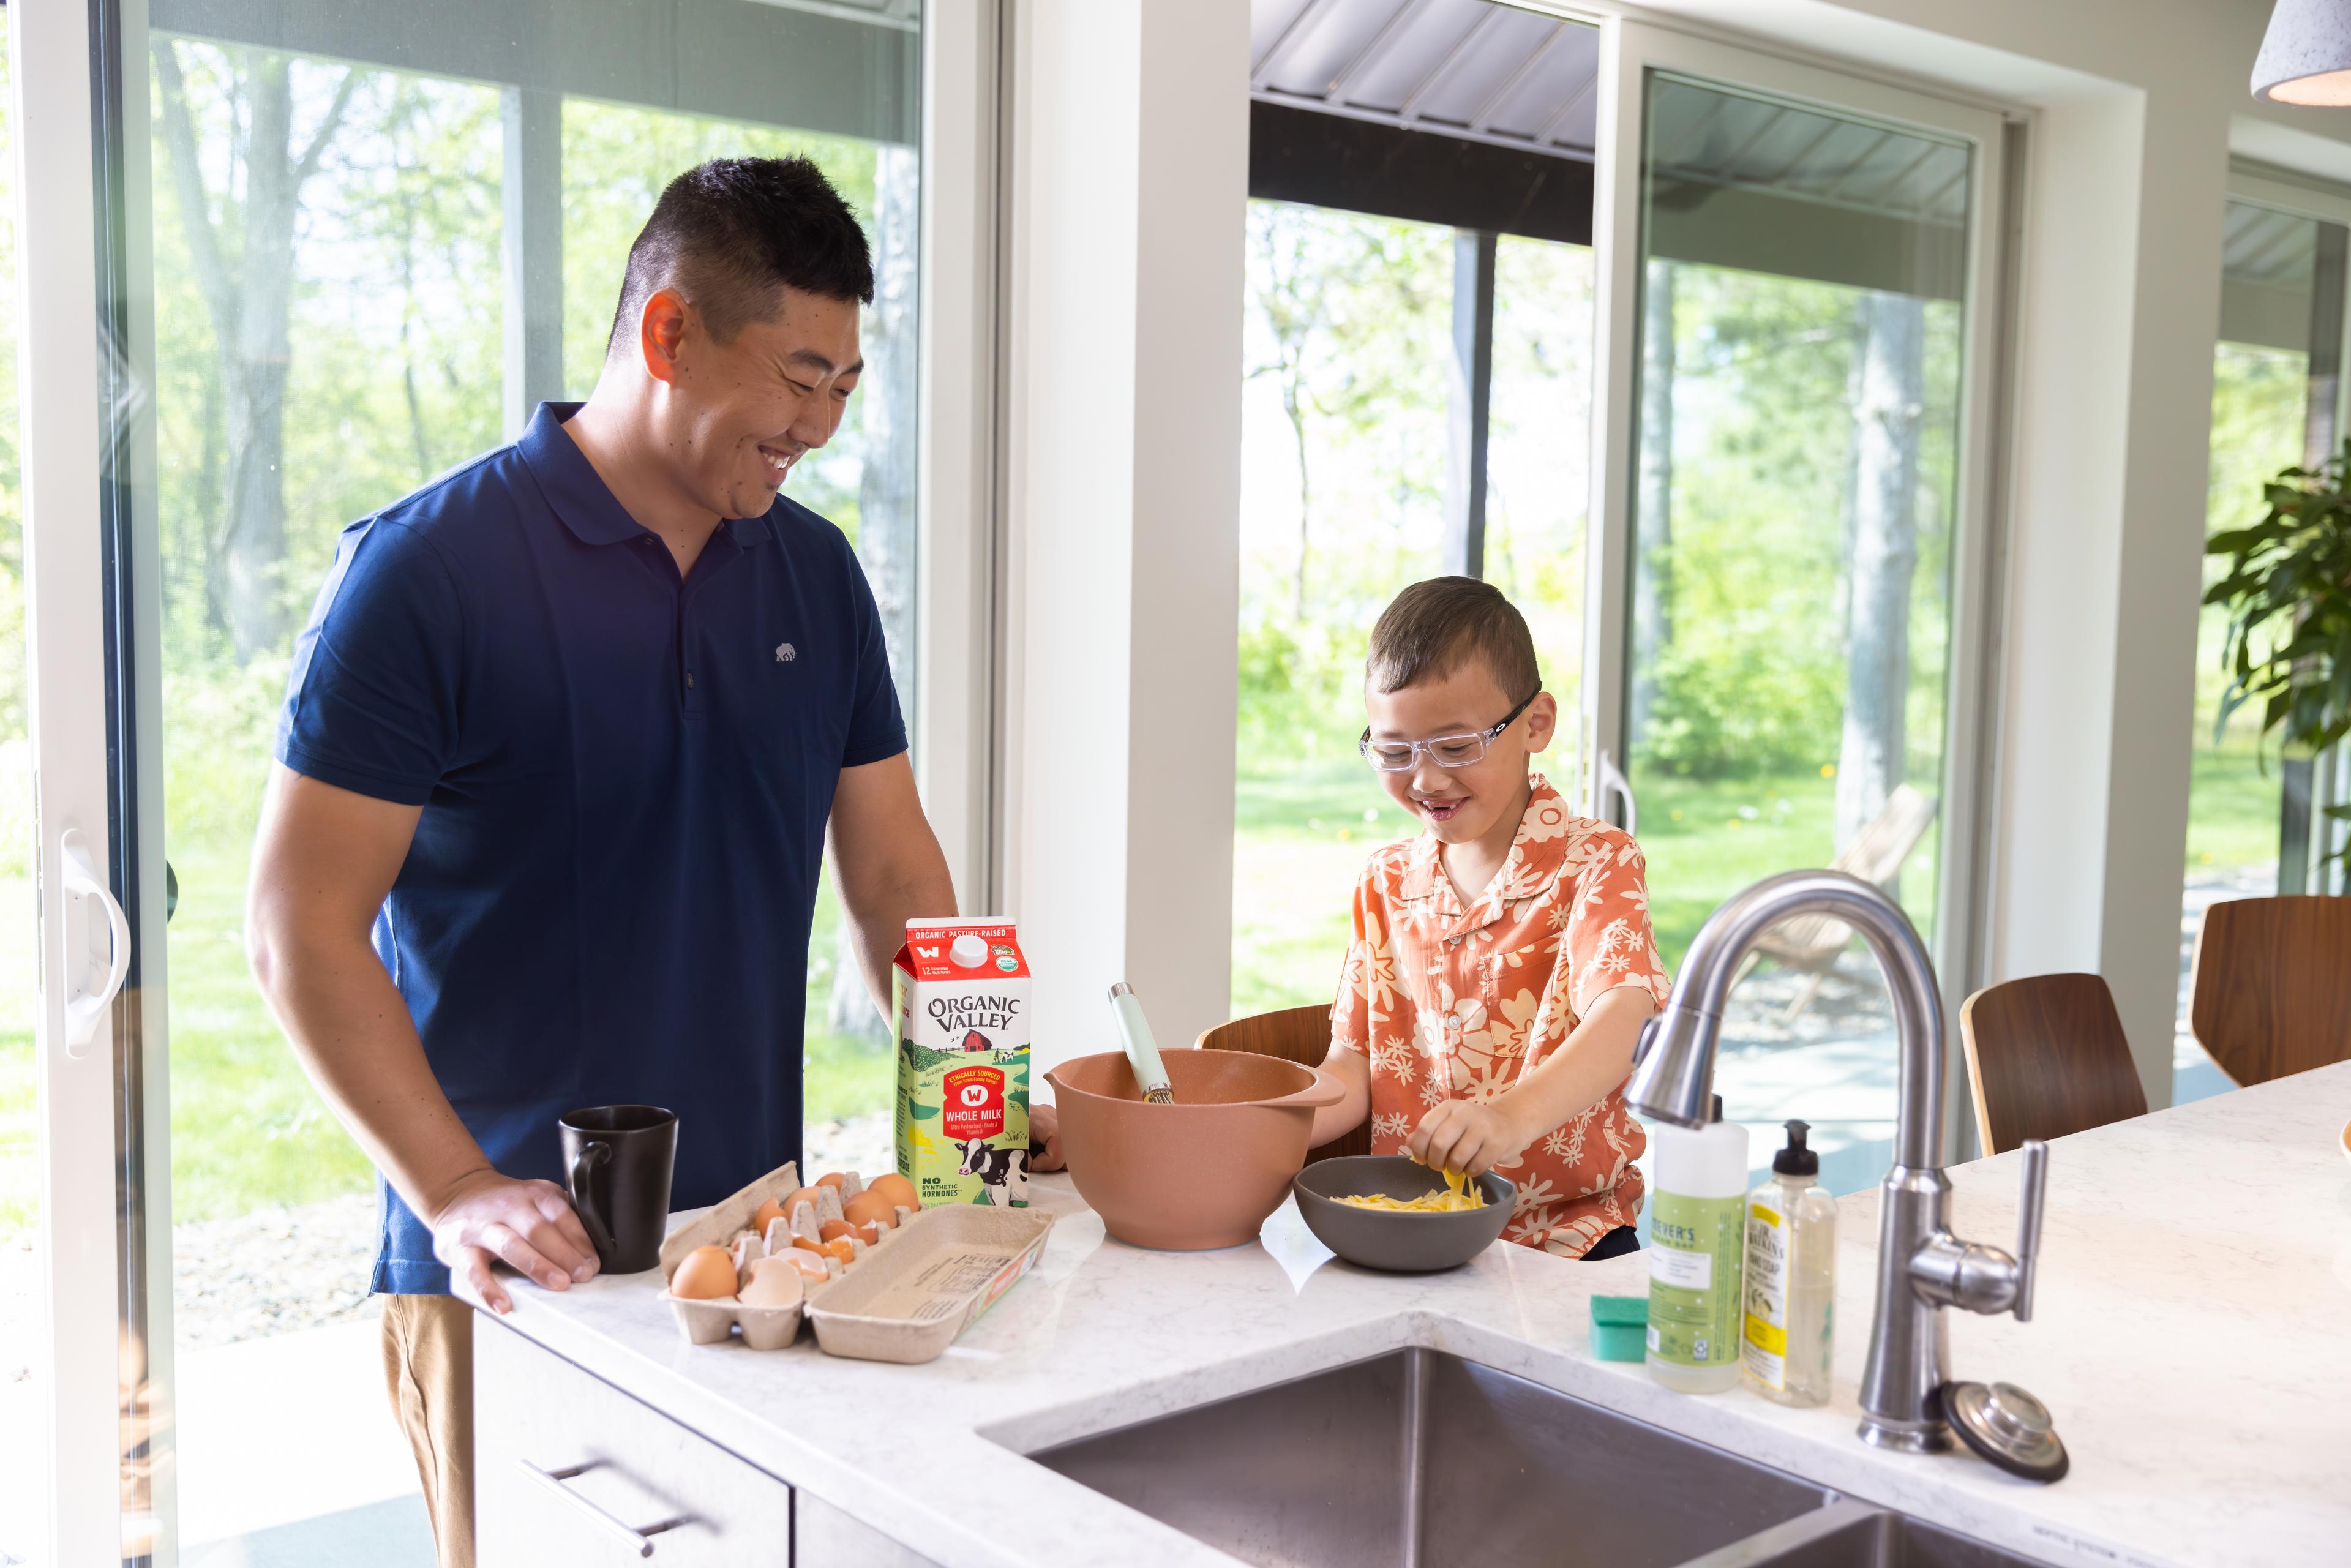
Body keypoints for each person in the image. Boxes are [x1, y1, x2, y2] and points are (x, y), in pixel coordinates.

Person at [245, 156, 1058, 1568]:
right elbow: (297, 927)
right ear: (669, 331)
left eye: (844, 388)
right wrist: (451, 1188)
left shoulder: (815, 577)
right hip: (517, 1266)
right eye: (798, 376)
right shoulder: (429, 572)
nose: (818, 423)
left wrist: (975, 1090)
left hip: (771, 1254)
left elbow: (890, 877)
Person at [1307, 577, 1669, 1260]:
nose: (1425, 779)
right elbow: (1349, 1069)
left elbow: (1625, 1018)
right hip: (1414, 1230)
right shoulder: (1386, 880)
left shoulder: (1596, 862)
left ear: (1535, 724)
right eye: (1394, 751)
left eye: (1454, 745)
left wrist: (1507, 1119)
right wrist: (1234, 1126)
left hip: (1567, 1240)